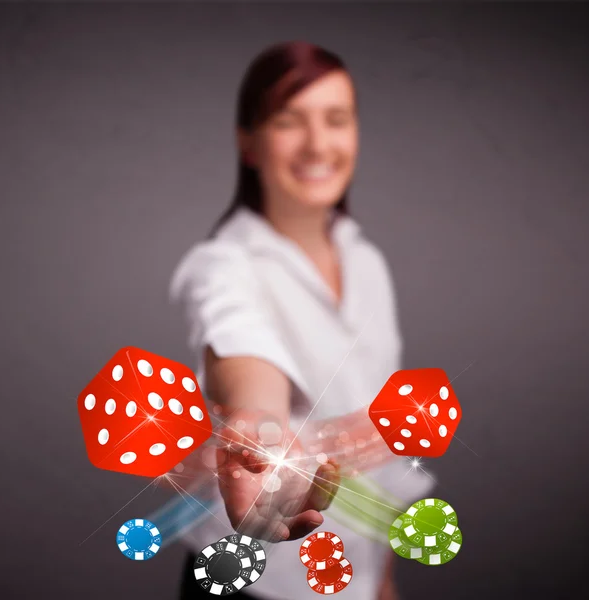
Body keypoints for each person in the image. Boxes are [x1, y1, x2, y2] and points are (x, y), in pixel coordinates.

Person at [169, 41, 432, 600]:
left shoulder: (366, 260)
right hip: (255, 583)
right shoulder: (222, 265)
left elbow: (383, 434)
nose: (318, 143)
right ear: (249, 142)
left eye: (336, 119)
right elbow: (242, 352)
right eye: (290, 120)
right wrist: (257, 427)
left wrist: (381, 577)